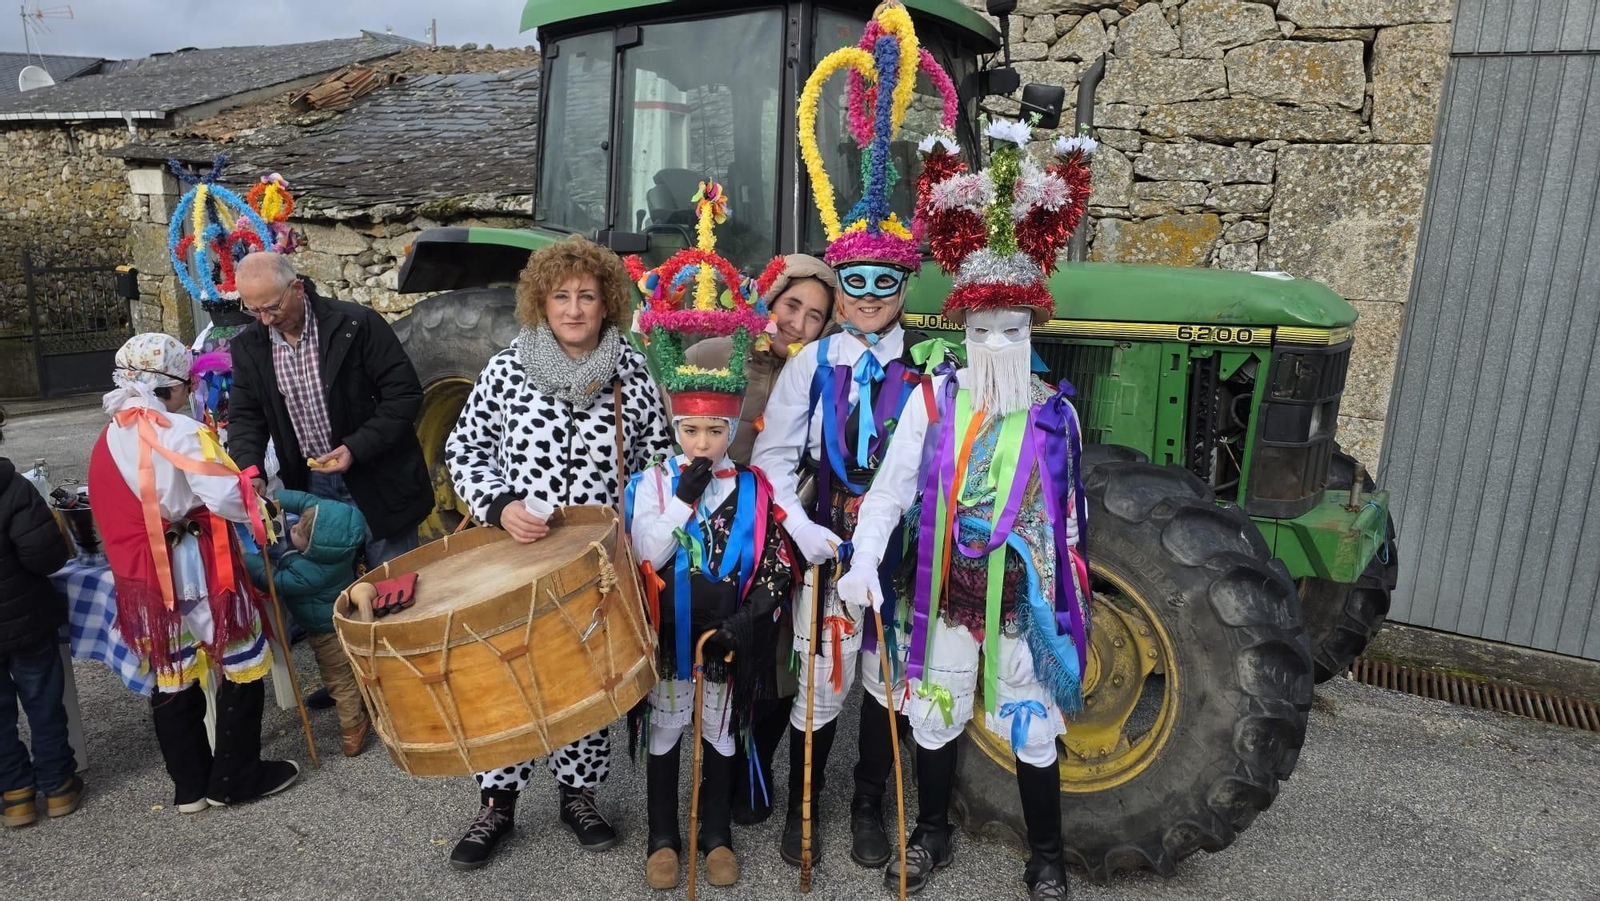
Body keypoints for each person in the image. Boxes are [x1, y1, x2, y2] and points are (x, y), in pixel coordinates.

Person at [835, 123, 1097, 900]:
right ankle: (931, 834)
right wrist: (861, 558)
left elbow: (1072, 518)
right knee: (934, 716)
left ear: (1032, 331)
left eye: (1011, 331)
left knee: (1035, 729)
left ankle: (1047, 857)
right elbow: (888, 489)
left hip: (1025, 598)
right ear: (962, 328)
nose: (994, 345)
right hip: (944, 586)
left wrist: (1067, 597)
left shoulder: (1059, 414)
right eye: (980, 330)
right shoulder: (932, 402)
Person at [750, 1, 961, 868]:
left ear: (902, 284)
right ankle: (806, 800)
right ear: (839, 284)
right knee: (821, 674)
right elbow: (772, 453)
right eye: (855, 280)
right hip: (828, 537)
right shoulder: (813, 364)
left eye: (883, 280)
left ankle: (869, 804)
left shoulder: (933, 368)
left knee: (886, 684)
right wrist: (802, 528)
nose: (868, 294)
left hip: (908, 546)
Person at [444, 234, 673, 869]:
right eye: (561, 296)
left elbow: (659, 462)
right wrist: (498, 505)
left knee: (582, 674)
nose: (574, 309)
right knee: (506, 671)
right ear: (540, 303)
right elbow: (464, 451)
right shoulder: (507, 369)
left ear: (608, 306)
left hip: (596, 562)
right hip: (516, 554)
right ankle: (497, 804)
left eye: (588, 297)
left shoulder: (632, 373)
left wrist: (643, 531)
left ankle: (579, 794)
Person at [624, 187, 796, 888]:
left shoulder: (754, 488)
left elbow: (771, 566)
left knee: (721, 730)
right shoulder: (654, 486)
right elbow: (646, 556)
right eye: (690, 429)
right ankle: (664, 835)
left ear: (733, 430)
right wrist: (683, 500)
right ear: (676, 428)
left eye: (714, 431)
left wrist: (749, 622)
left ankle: (716, 831)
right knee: (666, 731)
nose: (701, 441)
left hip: (727, 638)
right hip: (670, 635)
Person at [88, 334, 299, 812]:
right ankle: (235, 777)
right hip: (196, 566)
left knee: (174, 671)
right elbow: (225, 495)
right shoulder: (178, 430)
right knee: (240, 658)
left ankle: (189, 784)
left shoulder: (112, 434)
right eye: (189, 382)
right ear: (171, 385)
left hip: (147, 575)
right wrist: (261, 513)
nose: (192, 390)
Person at [682, 252, 834, 824]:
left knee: (777, 661)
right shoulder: (714, 356)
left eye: (814, 316)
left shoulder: (822, 377)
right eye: (791, 305)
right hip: (716, 537)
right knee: (716, 645)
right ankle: (713, 766)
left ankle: (756, 759)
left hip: (782, 535)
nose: (798, 322)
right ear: (769, 301)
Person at [228, 251, 430, 569]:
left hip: (378, 477)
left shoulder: (357, 325)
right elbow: (245, 415)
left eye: (272, 307)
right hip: (312, 485)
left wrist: (355, 447)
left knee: (394, 585)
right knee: (330, 588)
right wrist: (250, 468)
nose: (266, 320)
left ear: (297, 288)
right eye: (253, 310)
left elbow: (403, 396)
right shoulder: (249, 346)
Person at [0, 405, 80, 827]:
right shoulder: (12, 487)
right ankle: (58, 785)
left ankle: (14, 794)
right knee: (44, 701)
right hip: (26, 619)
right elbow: (45, 557)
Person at [243, 492, 369, 756]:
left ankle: (352, 728)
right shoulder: (340, 549)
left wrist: (246, 557)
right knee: (360, 670)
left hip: (326, 635)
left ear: (313, 549)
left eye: (298, 530)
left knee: (340, 682)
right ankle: (373, 706)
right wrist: (272, 497)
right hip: (348, 621)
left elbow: (272, 579)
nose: (293, 527)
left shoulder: (306, 573)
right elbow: (305, 503)